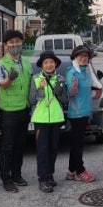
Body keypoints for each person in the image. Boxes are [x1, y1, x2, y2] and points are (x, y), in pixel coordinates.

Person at [0, 29, 33, 193]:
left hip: (24, 109)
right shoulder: (0, 64)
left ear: (22, 43)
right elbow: (1, 83)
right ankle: (6, 179)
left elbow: (31, 82)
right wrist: (9, 78)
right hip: (8, 111)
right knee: (7, 146)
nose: (15, 45)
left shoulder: (26, 62)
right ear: (5, 45)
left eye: (18, 41)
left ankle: (17, 174)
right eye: (11, 42)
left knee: (20, 145)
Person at [29, 51, 68, 193]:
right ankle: (42, 179)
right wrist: (40, 89)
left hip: (56, 118)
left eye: (51, 62)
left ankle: (50, 174)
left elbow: (65, 100)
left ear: (55, 64)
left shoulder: (60, 79)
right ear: (42, 65)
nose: (49, 64)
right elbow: (32, 100)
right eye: (46, 62)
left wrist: (59, 91)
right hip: (41, 119)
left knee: (53, 148)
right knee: (42, 149)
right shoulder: (35, 79)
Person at [64, 45, 102, 183]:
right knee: (77, 143)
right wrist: (72, 88)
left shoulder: (86, 70)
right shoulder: (72, 71)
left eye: (86, 56)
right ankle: (80, 170)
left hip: (85, 110)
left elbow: (93, 83)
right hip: (76, 112)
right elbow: (70, 93)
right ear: (75, 57)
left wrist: (99, 88)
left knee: (77, 142)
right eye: (80, 56)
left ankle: (70, 171)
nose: (83, 58)